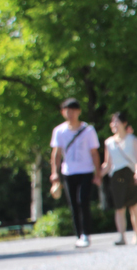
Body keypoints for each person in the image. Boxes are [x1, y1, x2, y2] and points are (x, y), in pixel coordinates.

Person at [50, 98, 101, 248]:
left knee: (82, 201)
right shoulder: (59, 131)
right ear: (62, 112)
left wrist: (97, 174)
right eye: (67, 111)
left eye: (73, 110)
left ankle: (86, 233)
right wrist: (54, 173)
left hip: (86, 171)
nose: (70, 113)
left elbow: (94, 153)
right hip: (68, 172)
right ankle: (79, 234)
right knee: (73, 204)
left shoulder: (88, 130)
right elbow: (56, 154)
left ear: (78, 112)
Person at [101, 112, 137, 245]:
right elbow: (108, 164)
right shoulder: (109, 142)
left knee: (134, 207)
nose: (113, 124)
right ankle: (121, 236)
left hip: (131, 175)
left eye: (116, 121)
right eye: (112, 122)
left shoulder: (133, 140)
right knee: (119, 208)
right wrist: (97, 175)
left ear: (124, 123)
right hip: (116, 177)